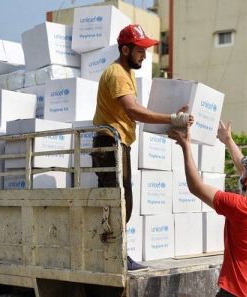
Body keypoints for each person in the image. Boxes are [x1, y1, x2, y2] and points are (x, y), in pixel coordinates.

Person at [91, 24, 194, 272]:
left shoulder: (126, 74)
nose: (145, 56)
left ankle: (115, 256)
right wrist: (171, 119)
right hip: (109, 145)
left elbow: (134, 112)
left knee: (122, 202)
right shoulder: (116, 74)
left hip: (117, 145)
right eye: (140, 51)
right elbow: (133, 111)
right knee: (118, 203)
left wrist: (170, 116)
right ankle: (115, 259)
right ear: (125, 50)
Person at [167, 120, 247, 297]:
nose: (243, 171)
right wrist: (228, 140)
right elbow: (245, 167)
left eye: (246, 173)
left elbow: (196, 187)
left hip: (237, 292)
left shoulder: (241, 207)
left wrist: (185, 146)